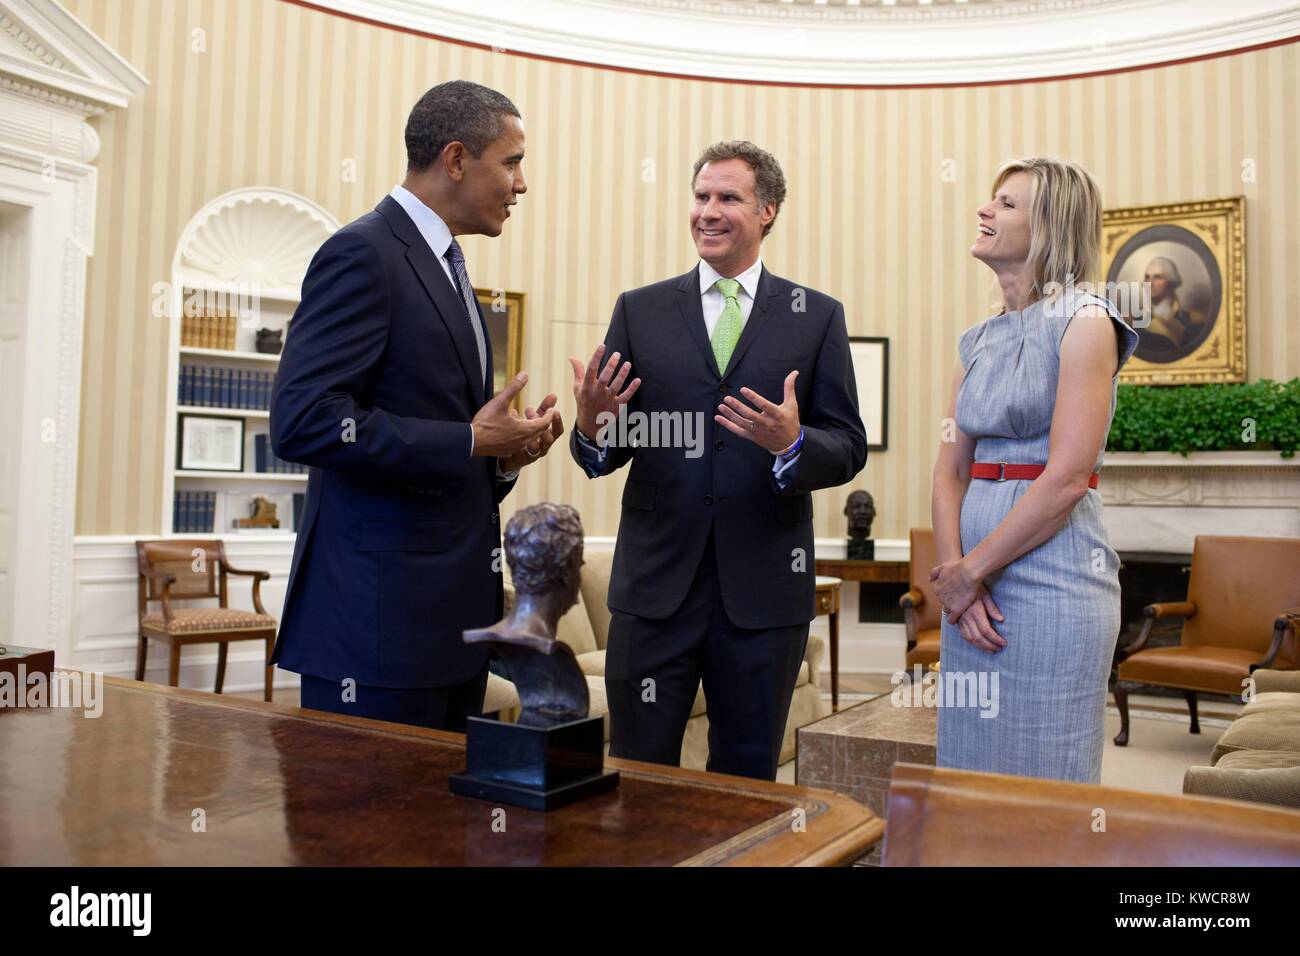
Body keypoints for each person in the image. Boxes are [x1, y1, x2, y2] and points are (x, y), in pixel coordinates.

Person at [568, 140, 867, 781]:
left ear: (768, 211)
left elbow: (847, 444)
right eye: (701, 196)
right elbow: (611, 448)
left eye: (727, 198)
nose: (708, 210)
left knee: (746, 780)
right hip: (654, 592)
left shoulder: (815, 317)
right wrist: (593, 426)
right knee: (639, 775)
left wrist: (793, 443)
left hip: (763, 597)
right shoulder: (640, 311)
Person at [270, 80, 562, 731]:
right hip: (374, 636)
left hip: (447, 633)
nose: (521, 185)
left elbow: (453, 441)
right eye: (512, 163)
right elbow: (302, 421)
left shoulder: (451, 268)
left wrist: (504, 453)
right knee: (364, 834)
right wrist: (467, 440)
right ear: (457, 159)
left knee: (441, 836)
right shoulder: (362, 253)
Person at [929, 157, 1139, 783]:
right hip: (971, 595)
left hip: (1056, 585)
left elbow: (1070, 475)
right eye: (990, 200)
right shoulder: (977, 340)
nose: (984, 211)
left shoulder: (1087, 320)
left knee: (1047, 777)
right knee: (969, 777)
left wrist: (973, 570)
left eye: (1007, 204)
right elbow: (949, 470)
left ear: (1051, 226)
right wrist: (955, 581)